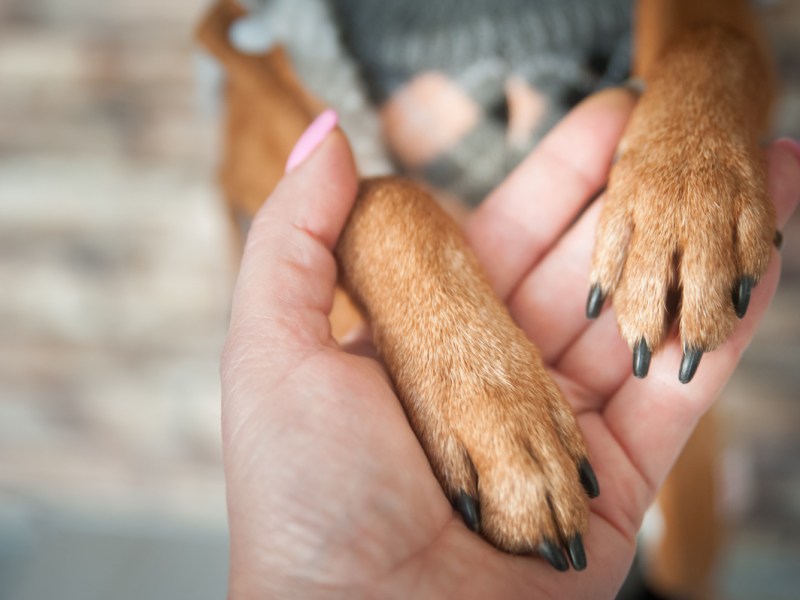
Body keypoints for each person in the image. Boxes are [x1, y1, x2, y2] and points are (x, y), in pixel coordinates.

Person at [219, 89, 800, 598]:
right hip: (544, 419)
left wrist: (703, 94)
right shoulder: (265, 53)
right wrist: (400, 264)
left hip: (632, 393)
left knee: (685, 544)